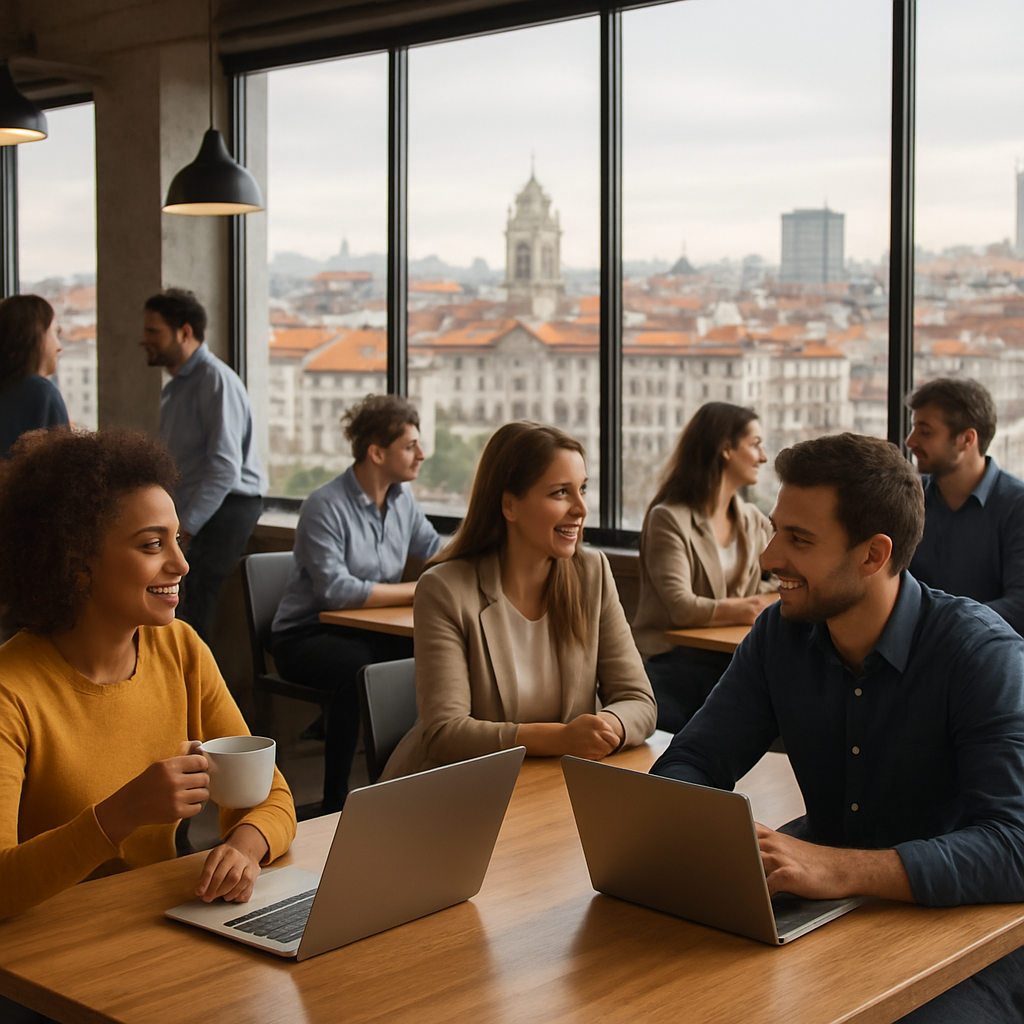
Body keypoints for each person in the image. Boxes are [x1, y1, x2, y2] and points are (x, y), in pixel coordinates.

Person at [650, 432, 1024, 1022]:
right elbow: (693, 759)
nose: (770, 558)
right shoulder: (779, 635)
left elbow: (1014, 846)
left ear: (873, 555)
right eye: (776, 530)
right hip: (821, 906)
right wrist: (711, 837)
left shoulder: (980, 653)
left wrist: (836, 867)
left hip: (963, 932)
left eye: (799, 540)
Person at [0, 428, 297, 926]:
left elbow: (270, 794)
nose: (181, 563)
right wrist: (123, 812)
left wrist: (244, 849)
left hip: (156, 924)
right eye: (152, 544)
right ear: (77, 564)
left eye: (177, 540)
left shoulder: (180, 648)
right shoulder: (11, 690)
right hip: (47, 946)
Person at [382, 421, 657, 780]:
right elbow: (445, 734)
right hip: (461, 789)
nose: (581, 508)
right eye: (560, 493)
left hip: (552, 784)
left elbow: (639, 700)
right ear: (509, 505)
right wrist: (561, 739)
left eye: (583, 489)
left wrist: (606, 727)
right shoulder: (444, 588)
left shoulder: (592, 573)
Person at [272, 394, 442, 812]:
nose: (422, 454)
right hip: (303, 634)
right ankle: (336, 802)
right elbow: (336, 590)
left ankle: (406, 784)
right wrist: (417, 590)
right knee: (358, 668)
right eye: (410, 446)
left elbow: (437, 552)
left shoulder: (403, 500)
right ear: (376, 453)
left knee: (428, 655)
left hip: (363, 629)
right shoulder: (324, 505)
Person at [631, 403, 777, 732]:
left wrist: (753, 600)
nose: (763, 457)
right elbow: (681, 607)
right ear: (726, 449)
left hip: (729, 660)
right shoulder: (669, 518)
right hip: (671, 661)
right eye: (755, 444)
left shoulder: (752, 520)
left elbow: (782, 582)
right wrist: (744, 608)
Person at [142, 288, 266, 644]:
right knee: (176, 604)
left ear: (184, 332)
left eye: (153, 331)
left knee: (192, 606)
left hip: (223, 508)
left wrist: (187, 526)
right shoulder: (176, 387)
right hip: (195, 511)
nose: (144, 339)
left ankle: (192, 679)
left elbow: (224, 467)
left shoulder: (215, 380)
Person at [906, 376, 1024, 636]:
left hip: (987, 651)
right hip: (913, 650)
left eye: (925, 432)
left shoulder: (1016, 505)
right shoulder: (908, 497)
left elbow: (1020, 605)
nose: (910, 442)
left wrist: (943, 625)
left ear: (967, 440)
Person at [0, 294, 68, 458]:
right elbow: (65, 465)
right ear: (35, 337)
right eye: (54, 332)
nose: (59, 347)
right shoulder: (41, 392)